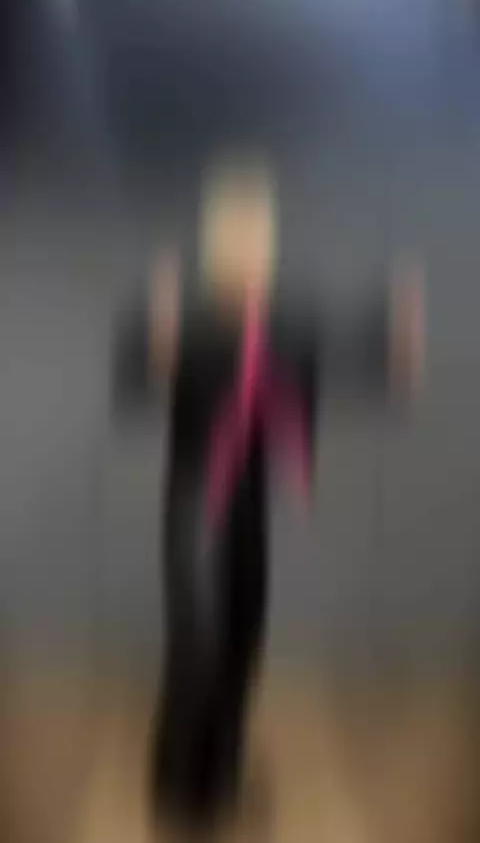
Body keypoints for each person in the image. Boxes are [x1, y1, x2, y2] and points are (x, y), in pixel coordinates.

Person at [112, 158, 425, 833]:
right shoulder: (187, 321)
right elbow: (131, 382)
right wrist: (152, 354)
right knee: (197, 650)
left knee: (241, 644)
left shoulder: (285, 323)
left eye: (259, 239)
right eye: (237, 239)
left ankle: (223, 780)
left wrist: (398, 342)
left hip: (250, 513)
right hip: (196, 510)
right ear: (214, 247)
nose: (251, 252)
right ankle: (176, 789)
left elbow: (357, 354)